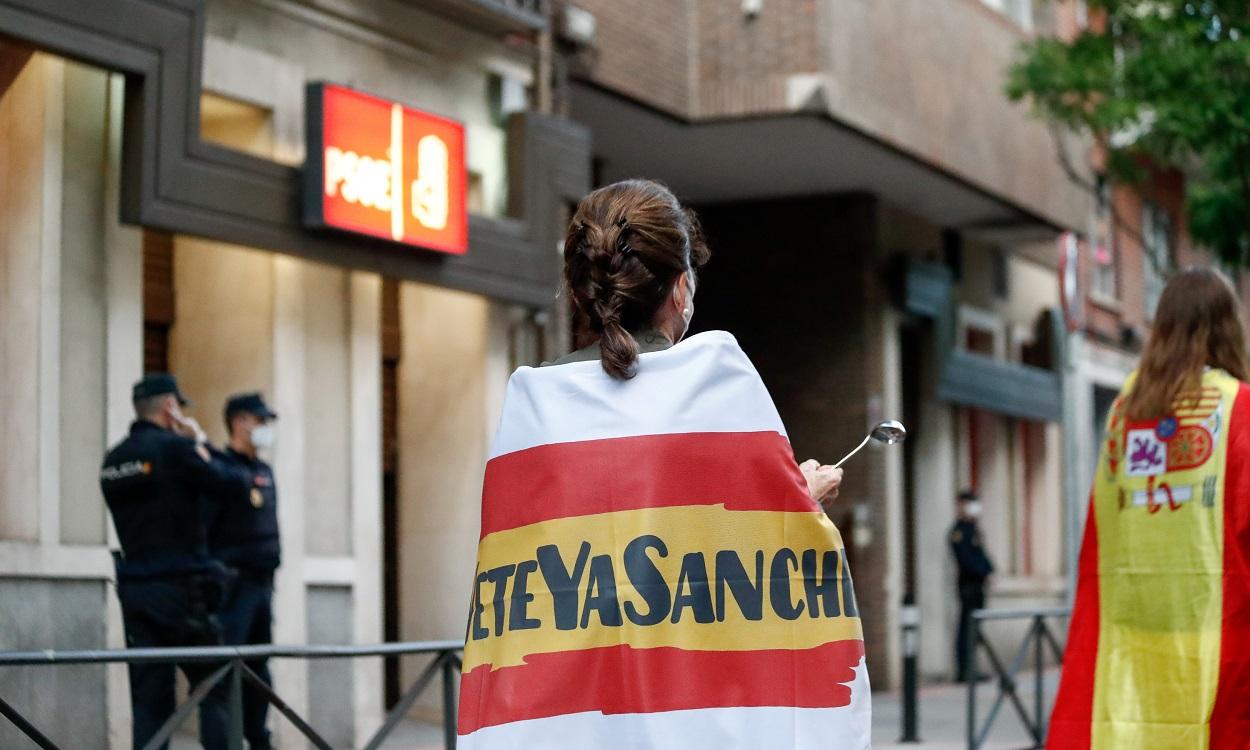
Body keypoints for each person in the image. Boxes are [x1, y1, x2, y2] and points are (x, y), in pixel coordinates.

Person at [457, 180, 869, 749]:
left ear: (579, 293)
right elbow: (728, 563)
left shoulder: (532, 405)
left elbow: (531, 588)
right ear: (680, 289)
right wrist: (800, 503)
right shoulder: (720, 385)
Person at [1048, 268, 1250, 748]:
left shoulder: (1124, 412)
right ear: (1228, 327)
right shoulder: (1238, 407)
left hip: (1132, 641)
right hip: (1215, 636)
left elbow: (1103, 529)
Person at [100, 373, 233, 750]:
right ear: (171, 407)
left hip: (136, 593)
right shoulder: (176, 450)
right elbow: (228, 483)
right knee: (216, 685)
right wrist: (200, 441)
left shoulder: (113, 460)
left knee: (149, 703)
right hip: (184, 591)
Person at [205, 392, 281, 750]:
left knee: (258, 670)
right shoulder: (219, 467)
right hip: (232, 585)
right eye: (259, 420)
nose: (264, 428)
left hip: (263, 585)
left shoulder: (263, 470)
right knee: (225, 672)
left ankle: (258, 738)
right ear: (240, 421)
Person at [949, 489, 993, 683]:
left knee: (974, 629)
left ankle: (971, 668)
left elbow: (982, 555)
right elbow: (967, 559)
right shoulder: (958, 532)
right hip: (968, 586)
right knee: (967, 628)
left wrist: (990, 569)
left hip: (978, 586)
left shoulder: (973, 528)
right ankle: (964, 670)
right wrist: (983, 571)